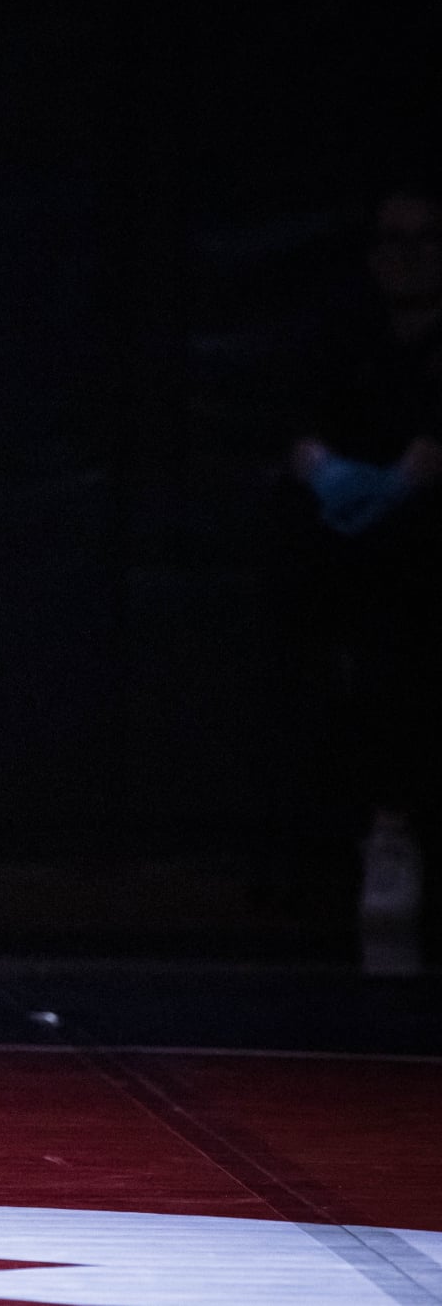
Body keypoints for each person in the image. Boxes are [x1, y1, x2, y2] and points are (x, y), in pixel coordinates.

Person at [284, 181, 442, 975]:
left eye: (423, 239)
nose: (405, 256)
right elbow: (300, 433)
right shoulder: (344, 337)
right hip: (354, 552)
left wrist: (403, 486)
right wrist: (328, 476)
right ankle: (377, 833)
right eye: (391, 240)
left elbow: (426, 457)